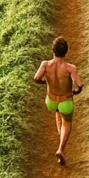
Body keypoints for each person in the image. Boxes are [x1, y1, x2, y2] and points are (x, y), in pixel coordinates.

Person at [34, 36, 83, 165]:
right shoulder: (70, 68)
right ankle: (61, 149)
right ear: (66, 51)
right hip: (65, 101)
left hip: (50, 101)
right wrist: (77, 92)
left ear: (53, 50)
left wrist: (45, 82)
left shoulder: (45, 64)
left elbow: (36, 78)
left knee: (57, 112)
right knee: (67, 122)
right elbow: (79, 84)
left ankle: (60, 136)